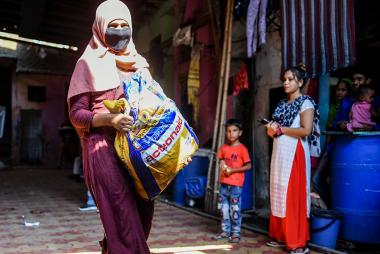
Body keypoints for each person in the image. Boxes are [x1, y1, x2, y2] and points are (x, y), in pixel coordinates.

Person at [67, 1, 155, 252]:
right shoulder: (88, 63)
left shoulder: (140, 63)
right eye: (112, 26)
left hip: (137, 152)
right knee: (124, 224)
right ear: (100, 28)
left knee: (140, 219)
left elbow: (156, 104)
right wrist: (109, 119)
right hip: (102, 150)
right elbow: (76, 114)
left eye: (124, 25)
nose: (119, 31)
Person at [265, 65, 320, 254]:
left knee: (293, 196)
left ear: (300, 82)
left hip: (295, 153)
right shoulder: (281, 104)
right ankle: (281, 235)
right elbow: (273, 131)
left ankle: (297, 242)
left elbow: (306, 130)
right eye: (284, 79)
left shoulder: (306, 103)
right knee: (279, 192)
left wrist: (282, 129)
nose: (285, 82)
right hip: (279, 153)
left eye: (290, 79)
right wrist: (271, 129)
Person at [212, 118, 251, 244]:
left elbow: (248, 166)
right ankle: (225, 231)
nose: (231, 133)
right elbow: (221, 160)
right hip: (224, 184)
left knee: (235, 209)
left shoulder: (242, 149)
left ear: (240, 133)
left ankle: (235, 233)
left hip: (236, 185)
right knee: (223, 209)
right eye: (228, 131)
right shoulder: (223, 148)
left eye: (234, 130)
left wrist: (233, 170)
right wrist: (222, 164)